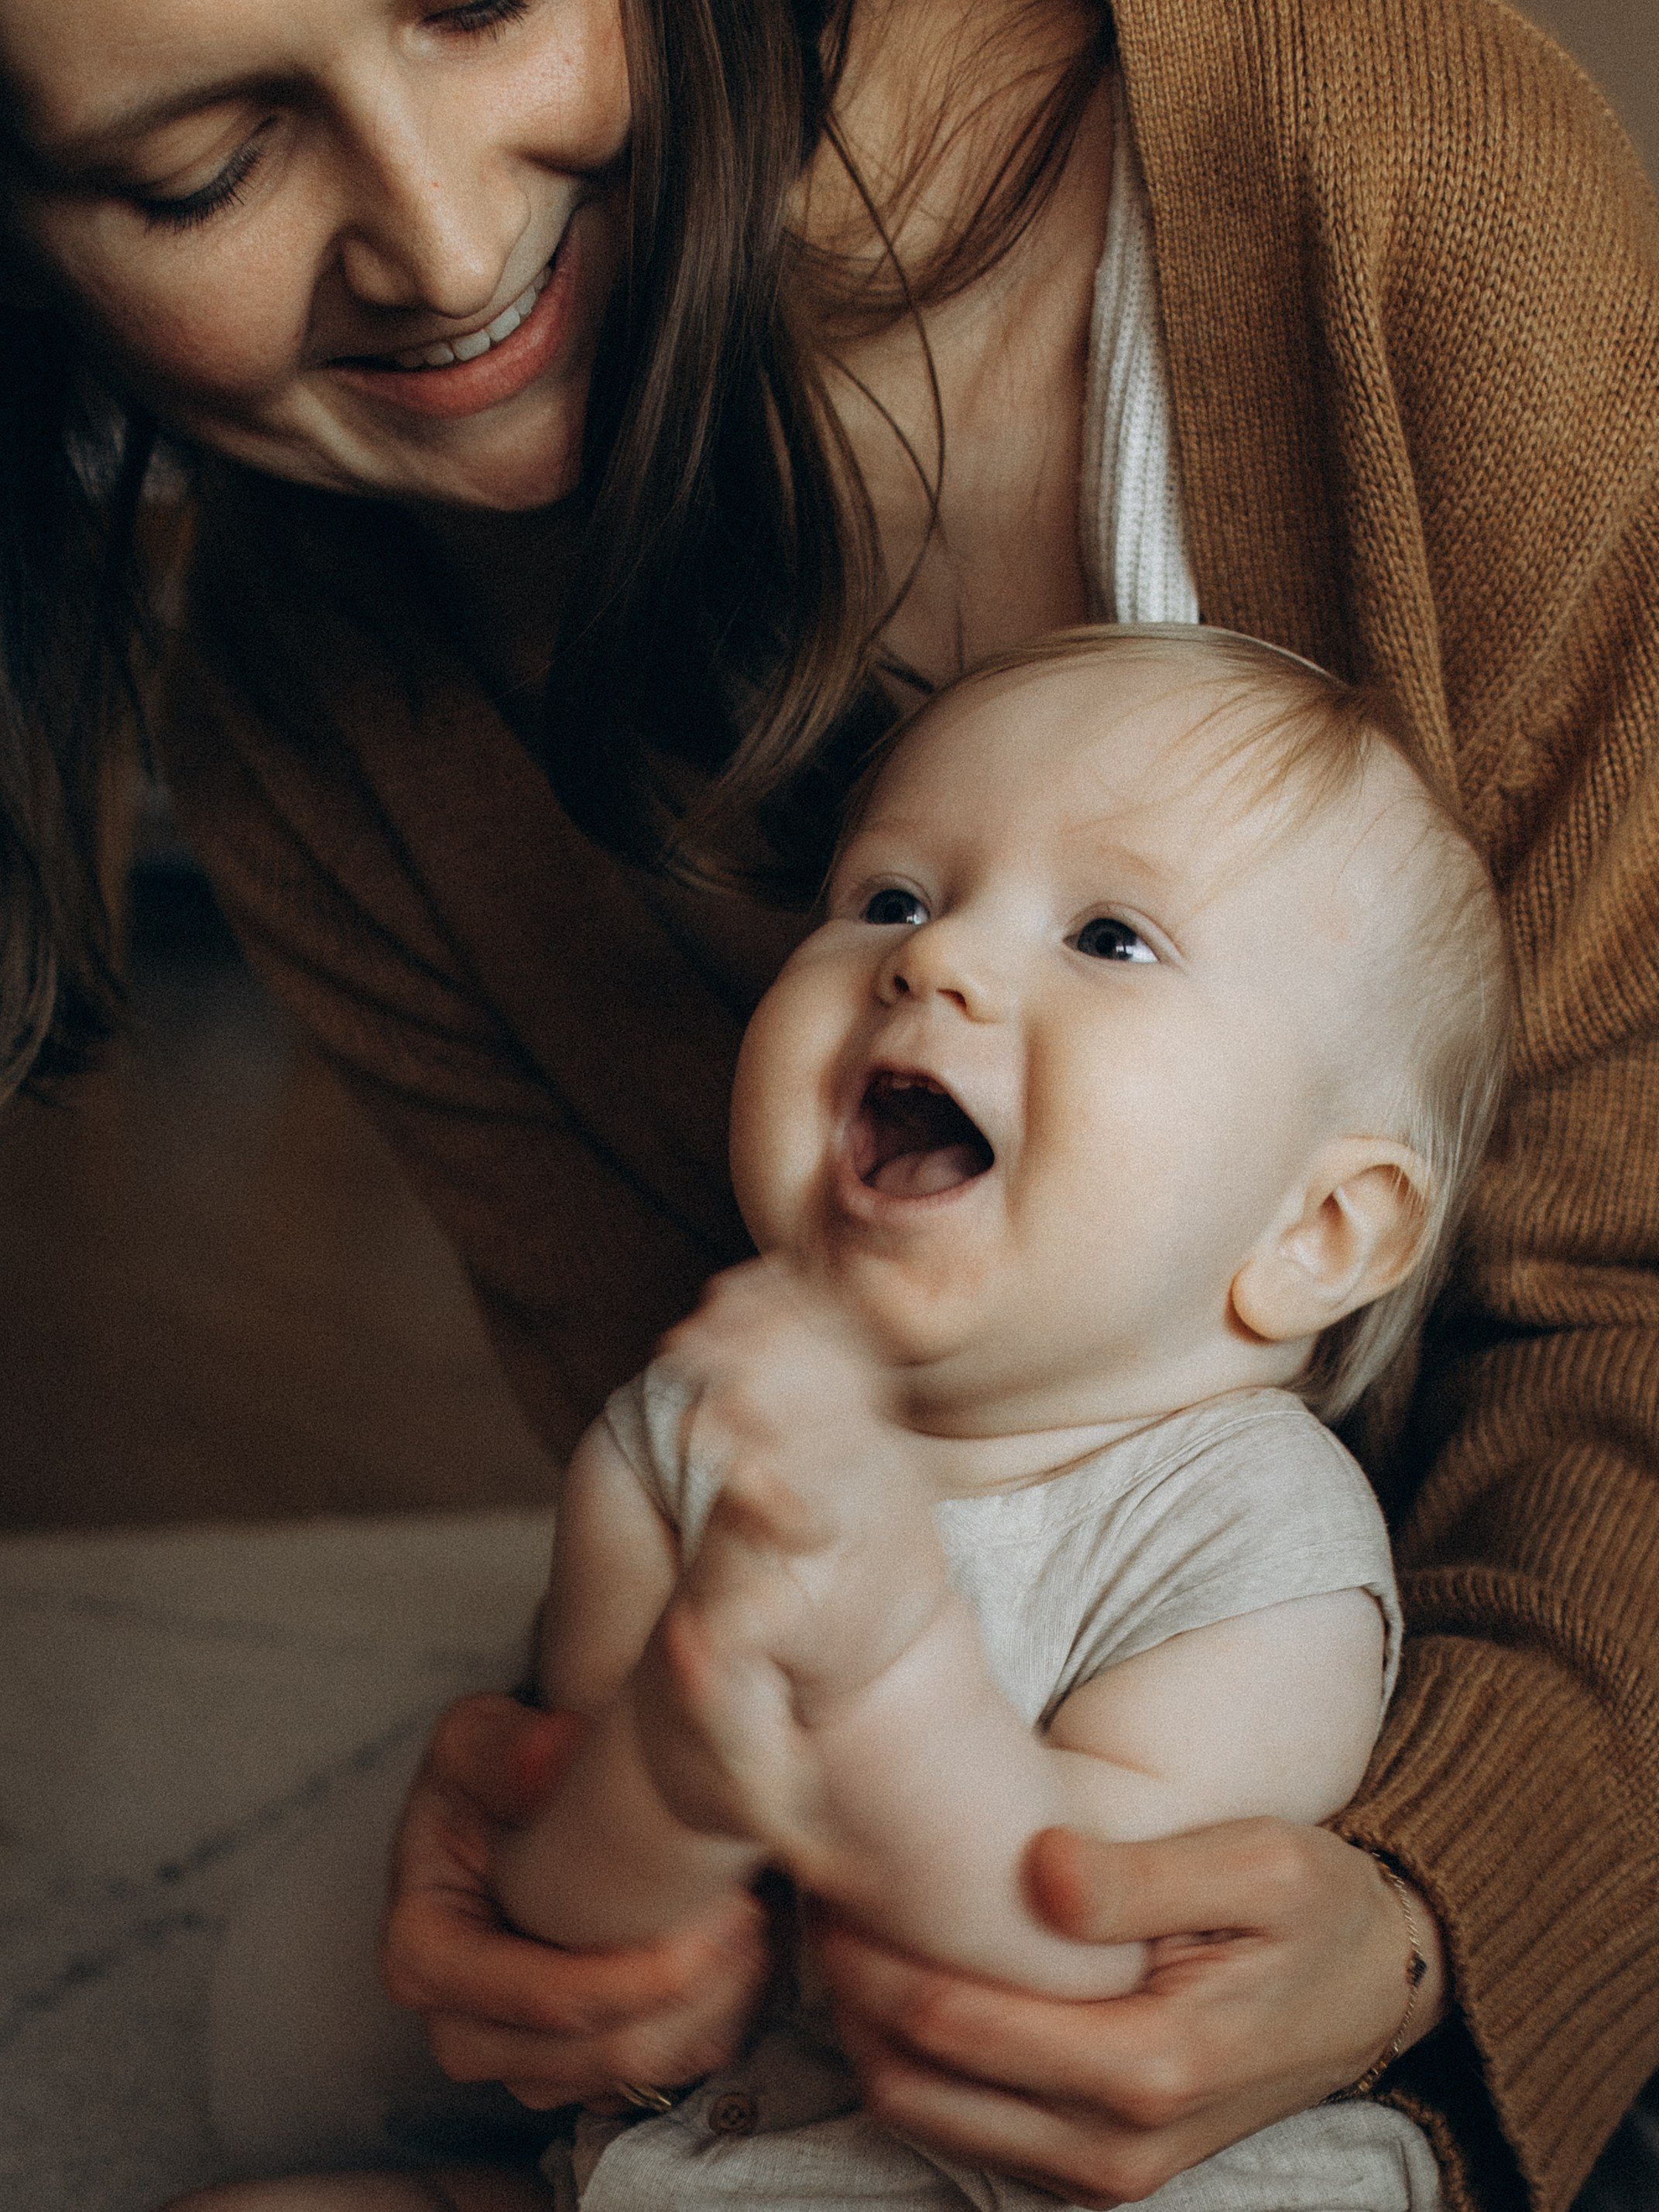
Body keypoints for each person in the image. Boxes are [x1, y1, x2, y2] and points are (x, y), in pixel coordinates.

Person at [0, 1, 1654, 2207]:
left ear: (1331, 1233)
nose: (438, 230)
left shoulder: (1399, 190)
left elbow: (1628, 1278)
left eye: (475, 0)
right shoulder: (325, 713)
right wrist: (613, 1830)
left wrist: (1455, 1886)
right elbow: (612, 1806)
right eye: (199, 169)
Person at [169, 623, 1508, 2210]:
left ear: (1319, 1234)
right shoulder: (682, 1435)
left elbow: (1069, 1959)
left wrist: (881, 1666)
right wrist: (669, 1762)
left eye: (1108, 937)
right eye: (892, 895)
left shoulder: (1262, 1535)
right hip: (709, 2144)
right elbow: (579, 1924)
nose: (932, 960)